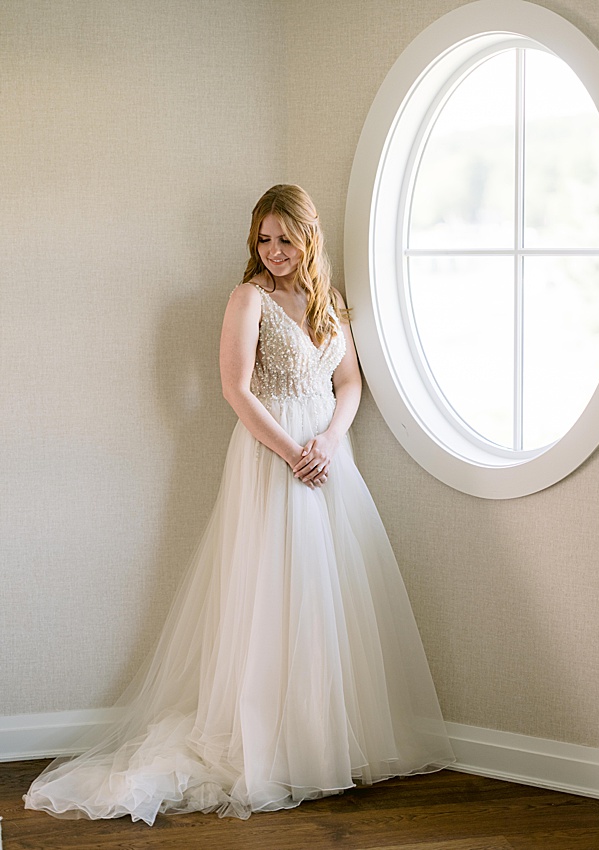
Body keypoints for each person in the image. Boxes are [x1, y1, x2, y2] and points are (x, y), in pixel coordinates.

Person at [24, 184, 454, 824]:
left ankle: (323, 740)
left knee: (328, 595)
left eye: (286, 238)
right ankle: (268, 745)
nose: (274, 250)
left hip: (328, 458)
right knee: (274, 592)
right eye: (264, 238)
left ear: (308, 238)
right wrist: (291, 452)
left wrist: (330, 442)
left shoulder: (329, 302)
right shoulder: (248, 297)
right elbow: (233, 388)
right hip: (269, 455)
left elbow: (349, 381)